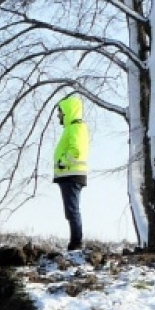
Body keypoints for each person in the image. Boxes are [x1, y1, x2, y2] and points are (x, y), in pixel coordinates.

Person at [52, 94, 89, 251]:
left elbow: (76, 150)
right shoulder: (73, 128)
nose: (58, 116)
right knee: (70, 210)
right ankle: (75, 242)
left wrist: (62, 162)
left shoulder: (75, 128)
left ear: (68, 111)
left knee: (72, 210)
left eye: (60, 112)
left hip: (71, 174)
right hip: (68, 175)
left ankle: (76, 243)